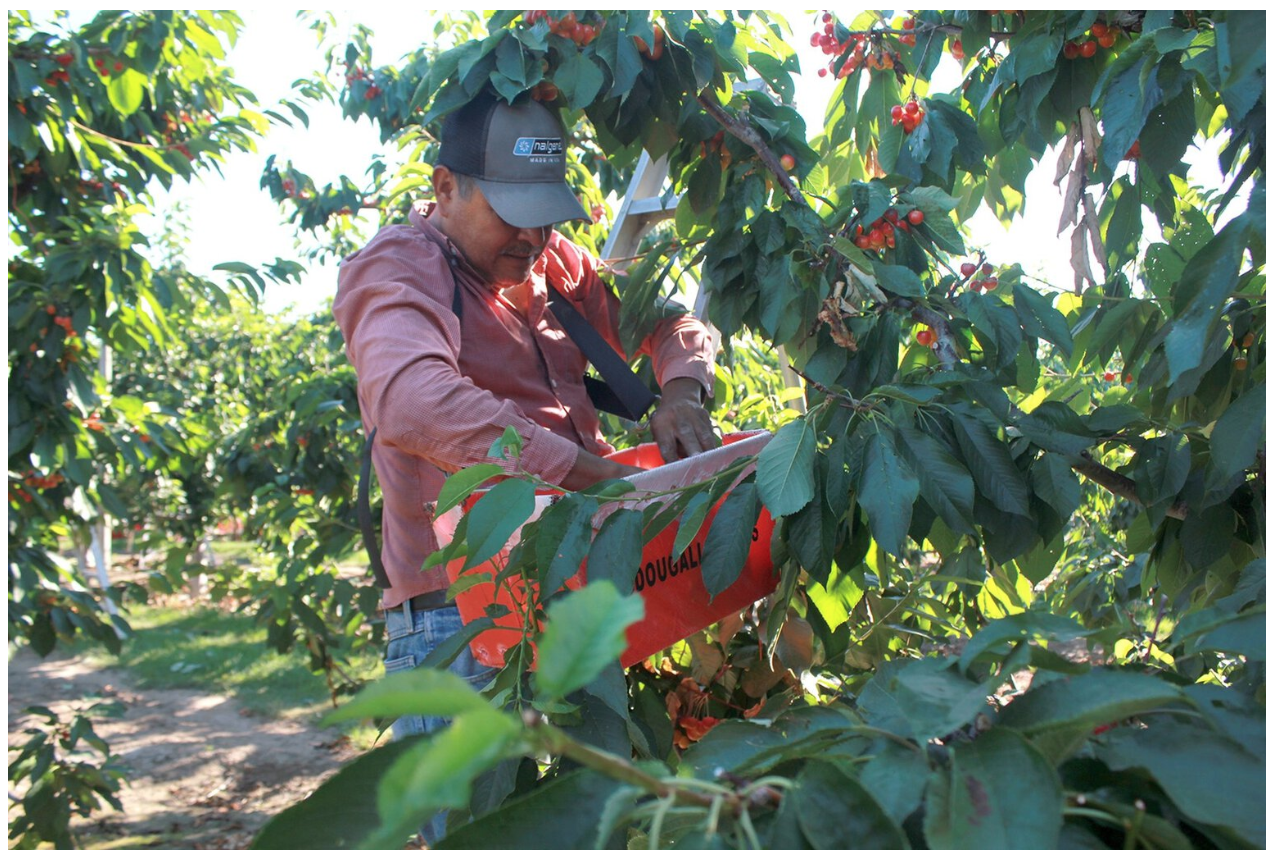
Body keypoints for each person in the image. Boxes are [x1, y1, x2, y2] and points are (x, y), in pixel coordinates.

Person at [332, 90, 718, 841]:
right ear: (446, 188)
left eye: (545, 211)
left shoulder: (556, 266)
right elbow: (412, 401)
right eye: (512, 209)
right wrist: (581, 469)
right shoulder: (398, 270)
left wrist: (679, 389)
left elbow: (669, 320)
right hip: (462, 616)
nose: (533, 232)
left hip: (579, 588)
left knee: (604, 822)